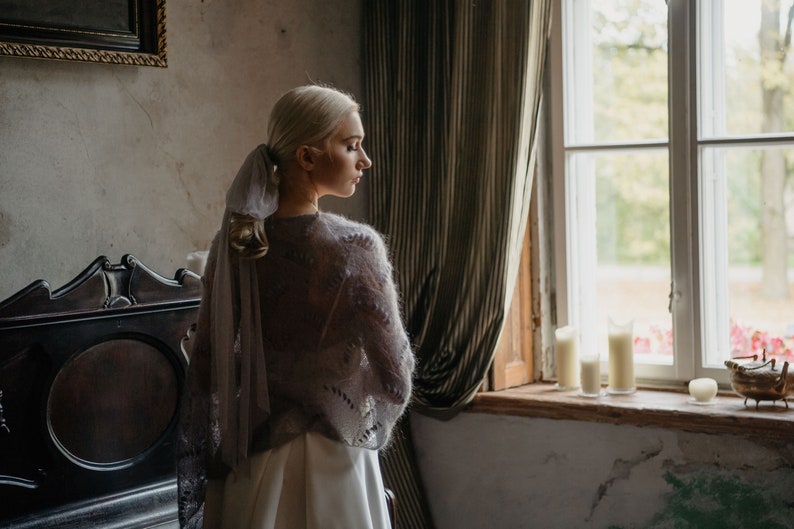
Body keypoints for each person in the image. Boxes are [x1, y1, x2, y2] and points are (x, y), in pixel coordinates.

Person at [177, 85, 415, 529]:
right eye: (351, 146)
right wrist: (338, 384)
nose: (365, 160)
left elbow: (206, 369)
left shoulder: (235, 246)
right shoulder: (357, 248)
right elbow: (395, 381)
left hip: (252, 468)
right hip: (335, 468)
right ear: (307, 157)